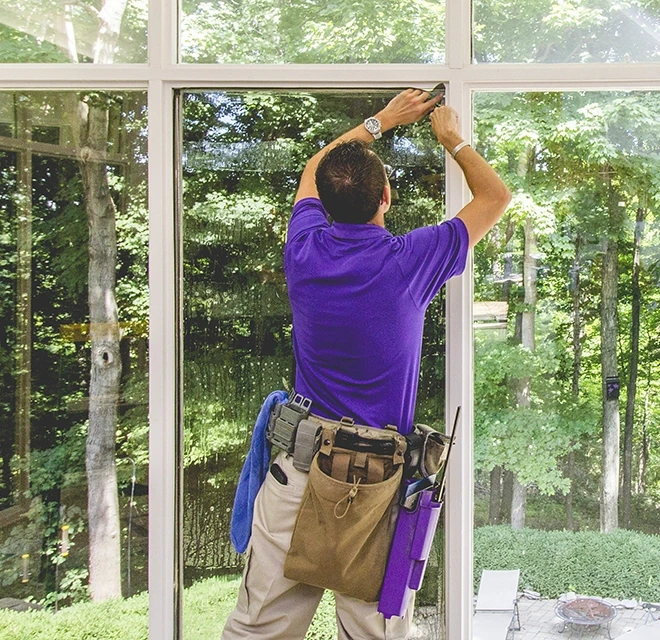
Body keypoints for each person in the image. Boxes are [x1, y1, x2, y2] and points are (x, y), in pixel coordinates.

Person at [221, 89, 511, 640]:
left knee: (258, 629)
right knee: (374, 634)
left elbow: (314, 167)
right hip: (377, 485)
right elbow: (495, 196)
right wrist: (451, 137)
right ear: (387, 196)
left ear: (324, 203)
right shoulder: (409, 261)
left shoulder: (302, 249)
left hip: (299, 474)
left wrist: (381, 122)